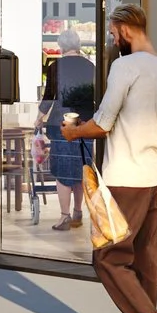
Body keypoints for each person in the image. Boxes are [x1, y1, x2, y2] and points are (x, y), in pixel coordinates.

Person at [55, 1, 157, 313]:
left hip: (125, 177)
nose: (113, 40)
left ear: (126, 29)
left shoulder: (125, 66)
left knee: (108, 257)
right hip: (153, 174)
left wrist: (72, 131)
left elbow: (104, 122)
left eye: (113, 34)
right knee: (144, 258)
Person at [40, 55, 96, 232]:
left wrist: (39, 118)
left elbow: (49, 96)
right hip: (86, 122)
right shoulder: (90, 66)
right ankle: (78, 212)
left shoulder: (56, 66)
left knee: (63, 169)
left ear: (62, 47)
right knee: (81, 169)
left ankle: (65, 216)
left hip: (61, 123)